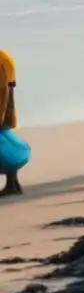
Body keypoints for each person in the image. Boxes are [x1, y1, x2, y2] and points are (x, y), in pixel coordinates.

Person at [0, 49, 22, 196]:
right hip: (6, 100)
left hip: (3, 102)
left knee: (5, 146)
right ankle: (12, 183)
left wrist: (0, 116)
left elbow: (4, 91)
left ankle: (12, 184)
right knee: (5, 144)